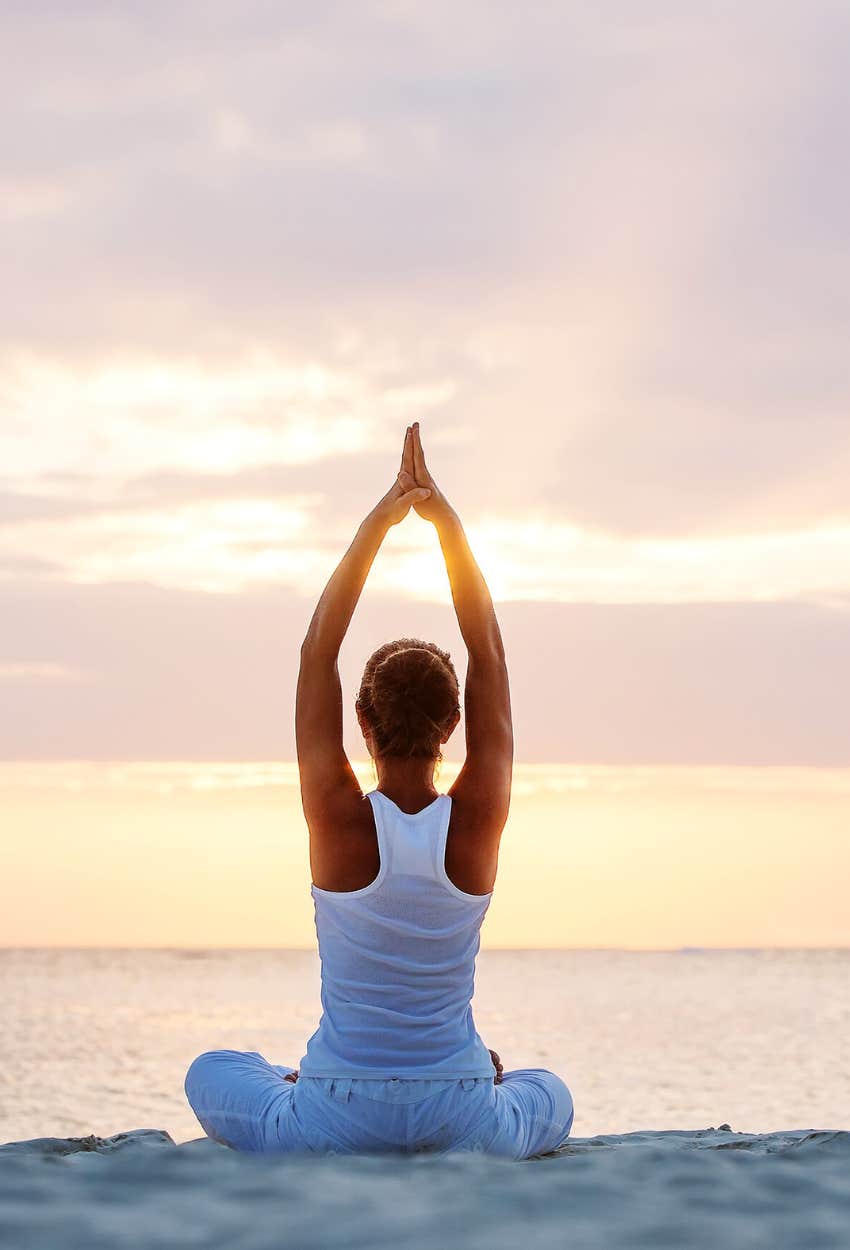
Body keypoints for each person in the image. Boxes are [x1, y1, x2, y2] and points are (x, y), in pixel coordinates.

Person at [184, 423, 574, 1158]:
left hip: (335, 1112)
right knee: (551, 1091)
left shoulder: (335, 819)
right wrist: (445, 525)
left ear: (361, 721)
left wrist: (380, 522)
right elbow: (487, 647)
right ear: (454, 724)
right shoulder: (477, 820)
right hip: (461, 1111)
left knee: (212, 1071)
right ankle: (466, 1078)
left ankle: (300, 1081)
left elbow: (316, 650)